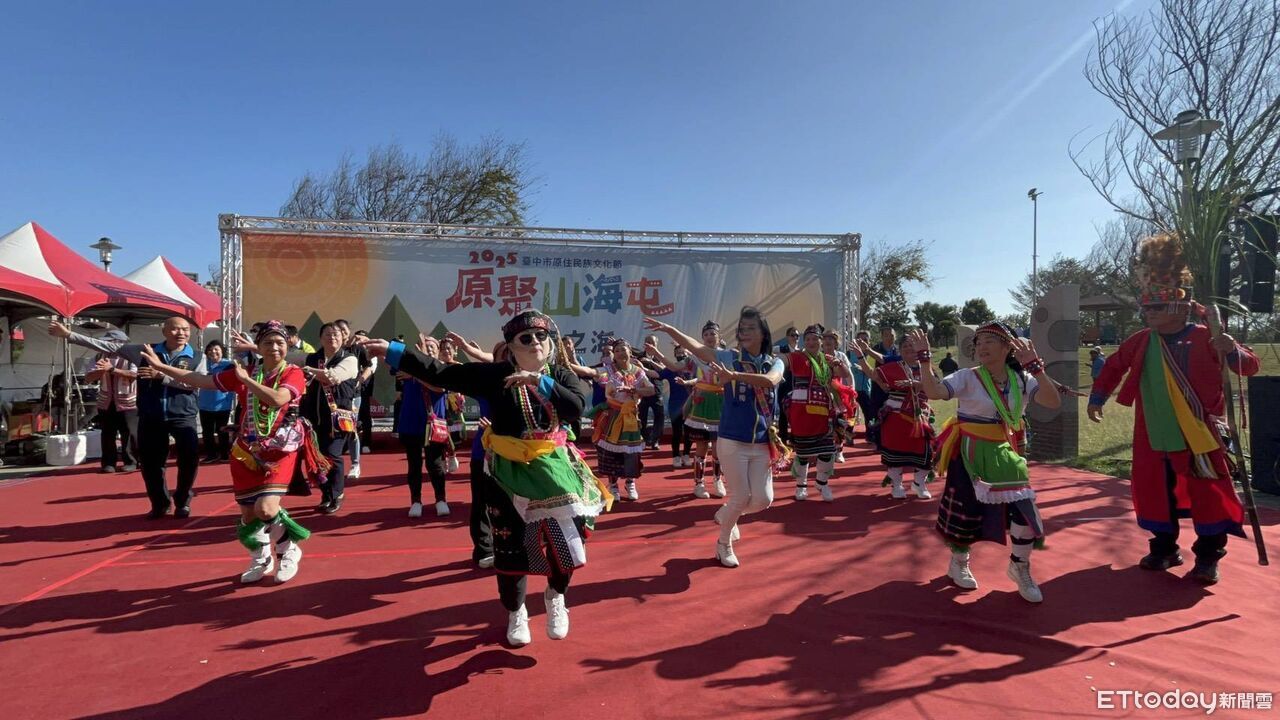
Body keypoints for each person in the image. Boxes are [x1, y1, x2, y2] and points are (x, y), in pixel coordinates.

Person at [362, 310, 601, 646]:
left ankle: (555, 595)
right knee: (510, 543)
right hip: (507, 473)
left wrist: (539, 382)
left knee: (567, 540)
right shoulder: (496, 376)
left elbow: (576, 406)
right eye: (526, 338)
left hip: (556, 470)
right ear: (511, 347)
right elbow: (442, 372)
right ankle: (515, 610)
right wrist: (394, 351)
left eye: (541, 336)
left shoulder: (560, 374)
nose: (535, 342)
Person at [1087, 233, 1259, 585]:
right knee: (1155, 492)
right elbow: (1114, 367)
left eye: (1156, 308)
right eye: (1146, 309)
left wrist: (1230, 349)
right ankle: (1164, 548)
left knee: (1208, 493)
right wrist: (1096, 398)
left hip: (1200, 433)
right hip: (1153, 434)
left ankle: (1208, 557)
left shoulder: (1207, 335)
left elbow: (1249, 366)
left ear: (1179, 307)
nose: (1148, 314)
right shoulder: (1140, 340)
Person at [141, 320, 326, 584]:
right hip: (246, 451)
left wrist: (246, 381)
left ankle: (288, 549)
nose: (274, 348)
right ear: (259, 347)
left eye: (280, 343)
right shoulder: (246, 372)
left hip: (280, 449)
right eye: (268, 343)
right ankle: (261, 557)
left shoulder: (292, 372)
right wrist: (162, 368)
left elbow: (277, 399)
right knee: (248, 514)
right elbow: (202, 380)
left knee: (266, 508)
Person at [913, 323, 1059, 602]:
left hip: (1004, 451)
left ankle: (1019, 566)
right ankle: (959, 561)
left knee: (1024, 509)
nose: (981, 346)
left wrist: (1037, 368)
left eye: (990, 341)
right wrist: (924, 359)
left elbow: (1052, 402)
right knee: (965, 510)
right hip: (968, 450)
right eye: (978, 342)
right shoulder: (968, 377)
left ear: (1007, 347)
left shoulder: (1022, 379)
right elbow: (934, 391)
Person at [646, 306, 784, 568]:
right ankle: (723, 544)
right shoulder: (728, 357)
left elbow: (770, 380)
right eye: (742, 328)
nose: (744, 332)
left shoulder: (775, 362)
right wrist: (670, 330)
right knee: (741, 496)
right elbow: (697, 348)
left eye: (751, 328)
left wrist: (735, 376)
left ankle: (726, 514)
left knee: (763, 500)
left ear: (763, 333)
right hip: (732, 439)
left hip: (762, 441)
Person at [51, 317, 205, 518]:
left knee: (189, 460)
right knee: (151, 463)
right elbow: (104, 345)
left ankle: (183, 501)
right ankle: (160, 503)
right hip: (150, 416)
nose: (181, 333)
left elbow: (196, 383)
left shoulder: (197, 356)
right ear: (164, 331)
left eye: (185, 330)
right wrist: (69, 335)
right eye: (176, 329)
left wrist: (162, 377)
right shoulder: (144, 351)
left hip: (183, 416)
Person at [857, 332, 934, 499]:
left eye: (911, 345)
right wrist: (861, 356)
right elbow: (872, 374)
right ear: (900, 351)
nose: (909, 348)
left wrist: (918, 384)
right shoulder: (893, 367)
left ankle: (919, 484)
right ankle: (897, 485)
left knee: (925, 453)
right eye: (905, 346)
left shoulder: (926, 367)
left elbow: (936, 387)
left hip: (919, 418)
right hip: (895, 417)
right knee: (895, 453)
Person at [581, 339, 655, 501]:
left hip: (630, 417)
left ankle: (630, 482)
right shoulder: (608, 370)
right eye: (617, 351)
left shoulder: (638, 371)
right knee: (611, 451)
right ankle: (613, 485)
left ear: (630, 352)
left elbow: (651, 389)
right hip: (613, 416)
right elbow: (590, 372)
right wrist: (569, 362)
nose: (621, 353)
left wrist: (634, 389)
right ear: (614, 355)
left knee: (631, 451)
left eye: (623, 349)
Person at [784, 324, 849, 502]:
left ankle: (822, 483)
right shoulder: (797, 357)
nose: (811, 342)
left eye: (814, 339)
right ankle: (801, 486)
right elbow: (782, 361)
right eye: (808, 339)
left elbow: (844, 373)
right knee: (803, 452)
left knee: (828, 450)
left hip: (824, 411)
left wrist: (838, 363)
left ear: (821, 341)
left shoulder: (827, 359)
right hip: (801, 411)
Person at [301, 322, 359, 514]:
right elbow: (285, 356)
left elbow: (333, 377)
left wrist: (309, 371)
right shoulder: (312, 358)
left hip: (337, 419)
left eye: (336, 334)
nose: (332, 337)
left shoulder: (349, 359)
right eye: (327, 334)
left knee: (333, 454)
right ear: (320, 338)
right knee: (317, 457)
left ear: (343, 338)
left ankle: (336, 494)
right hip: (313, 418)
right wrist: (254, 348)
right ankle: (326, 494)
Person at [397, 335, 452, 517]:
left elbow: (439, 388)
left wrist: (416, 374)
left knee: (434, 463)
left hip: (433, 425)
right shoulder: (407, 367)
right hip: (411, 422)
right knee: (414, 464)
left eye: (431, 347)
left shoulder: (442, 368)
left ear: (438, 352)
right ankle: (416, 501)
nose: (428, 350)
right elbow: (390, 360)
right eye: (424, 347)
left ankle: (441, 499)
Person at [83, 329, 139, 473]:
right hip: (106, 401)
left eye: (111, 342)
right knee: (107, 433)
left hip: (128, 402)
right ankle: (109, 463)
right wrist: (100, 371)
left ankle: (131, 461)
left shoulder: (132, 356)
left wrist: (112, 369)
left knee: (129, 433)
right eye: (106, 342)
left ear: (121, 343)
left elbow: (135, 375)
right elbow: (88, 378)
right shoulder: (98, 357)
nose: (107, 345)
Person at [645, 342, 695, 468]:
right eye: (678, 353)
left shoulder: (694, 368)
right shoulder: (672, 369)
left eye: (683, 352)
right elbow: (657, 374)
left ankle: (686, 455)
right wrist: (641, 368)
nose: (681, 355)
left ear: (688, 354)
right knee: (677, 432)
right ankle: (676, 456)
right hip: (675, 406)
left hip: (691, 404)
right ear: (674, 355)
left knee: (689, 432)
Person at [198, 340, 235, 463]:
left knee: (222, 431)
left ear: (222, 351)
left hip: (222, 405)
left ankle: (224, 454)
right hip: (204, 404)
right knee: (207, 432)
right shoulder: (203, 364)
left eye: (216, 349)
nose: (213, 352)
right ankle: (211, 455)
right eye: (210, 350)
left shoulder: (229, 365)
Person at [636, 334, 667, 450]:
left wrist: (651, 361)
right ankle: (643, 439)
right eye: (647, 342)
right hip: (642, 392)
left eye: (652, 342)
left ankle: (655, 440)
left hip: (656, 391)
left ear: (656, 344)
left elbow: (663, 370)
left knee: (659, 416)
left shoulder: (660, 357)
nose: (649, 344)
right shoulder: (639, 357)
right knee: (641, 417)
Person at [848, 330, 875, 441]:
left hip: (866, 390)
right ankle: (848, 435)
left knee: (869, 414)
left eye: (865, 340)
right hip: (852, 390)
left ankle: (870, 435)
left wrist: (864, 369)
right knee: (851, 415)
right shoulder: (849, 354)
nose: (862, 342)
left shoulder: (872, 355)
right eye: (859, 340)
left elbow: (874, 372)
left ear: (869, 342)